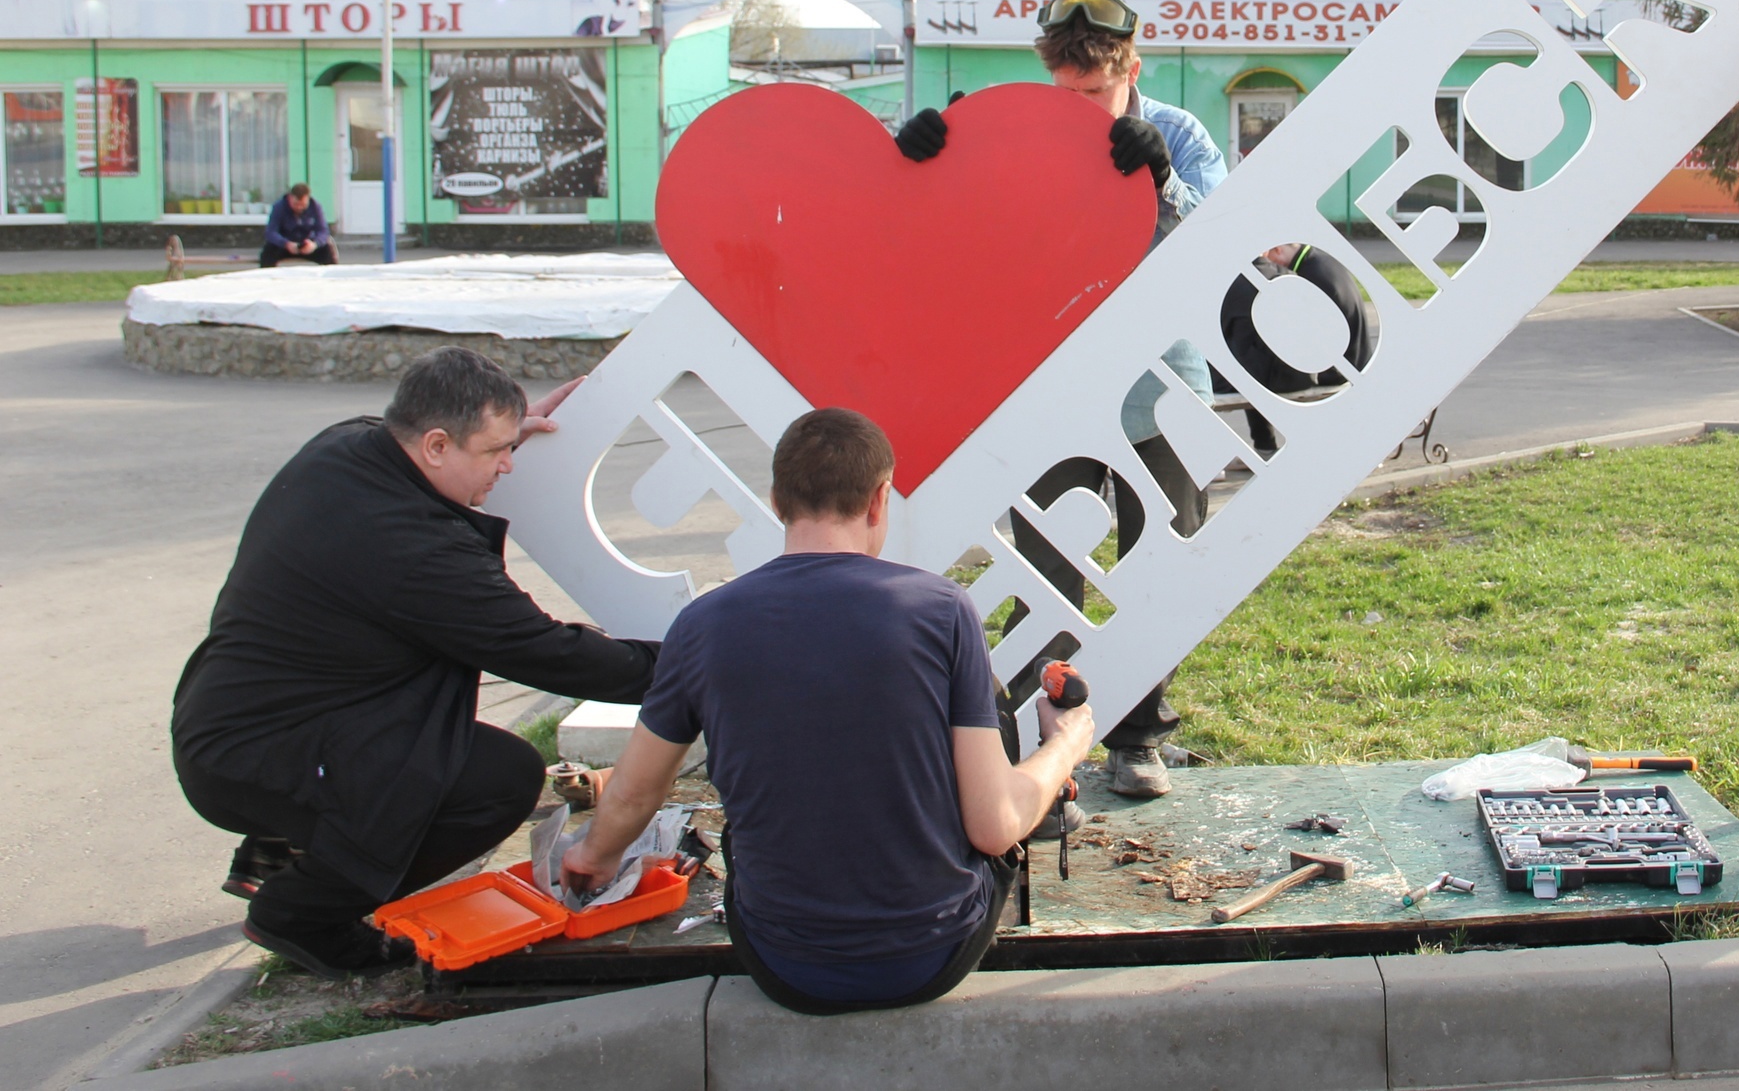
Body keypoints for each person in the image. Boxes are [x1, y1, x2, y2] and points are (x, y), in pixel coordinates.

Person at [565, 408, 1094, 1013]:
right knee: (983, 708)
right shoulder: (941, 609)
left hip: (783, 962)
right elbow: (994, 826)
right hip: (933, 954)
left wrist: (592, 856)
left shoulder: (702, 626)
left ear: (776, 500)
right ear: (878, 499)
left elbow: (634, 795)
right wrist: (1066, 742)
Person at [171, 348, 662, 973]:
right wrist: (700, 664)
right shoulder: (413, 549)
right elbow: (548, 653)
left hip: (234, 715)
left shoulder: (349, 446)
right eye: (496, 451)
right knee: (495, 782)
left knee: (417, 721)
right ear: (435, 445)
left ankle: (283, 844)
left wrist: (505, 431)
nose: (508, 465)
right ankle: (303, 911)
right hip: (251, 754)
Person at [893, 0, 1226, 803]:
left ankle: (1139, 734)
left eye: (1097, 97)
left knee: (1166, 565)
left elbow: (1226, 242)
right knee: (1049, 574)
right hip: (1053, 390)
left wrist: (1162, 182)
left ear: (1134, 70)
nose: (1077, 113)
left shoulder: (1181, 134)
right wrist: (923, 166)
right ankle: (1040, 738)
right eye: (1065, 95)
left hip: (1163, 387)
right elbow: (953, 242)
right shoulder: (1019, 133)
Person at [1216, 241, 1375, 455]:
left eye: (1270, 254)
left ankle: (1263, 447)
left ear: (1279, 249)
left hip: (1336, 368)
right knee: (1258, 356)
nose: (1268, 260)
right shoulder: (1317, 263)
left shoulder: (1309, 277)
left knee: (1251, 366)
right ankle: (1265, 446)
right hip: (1352, 358)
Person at [260, 183, 336, 267]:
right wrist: (286, 243)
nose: (299, 207)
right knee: (268, 251)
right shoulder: (279, 207)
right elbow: (270, 232)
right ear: (289, 198)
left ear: (308, 199)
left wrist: (314, 244)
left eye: (303, 205)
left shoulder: (315, 207)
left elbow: (323, 231)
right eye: (296, 204)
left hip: (307, 245)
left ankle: (331, 276)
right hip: (285, 245)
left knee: (327, 249)